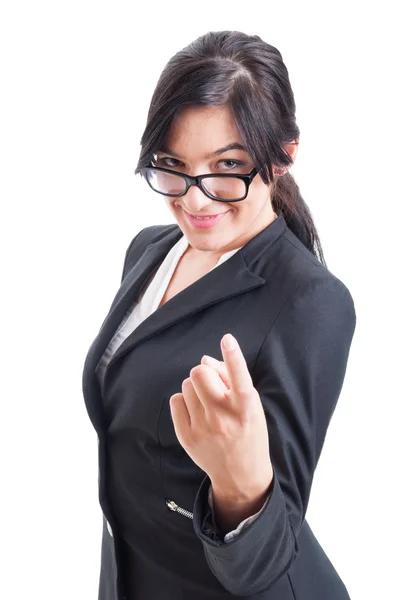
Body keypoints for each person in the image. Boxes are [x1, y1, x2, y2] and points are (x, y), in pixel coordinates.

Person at [82, 30, 356, 600]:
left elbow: (270, 555)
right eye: (173, 165)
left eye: (226, 167)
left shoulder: (311, 304)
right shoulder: (149, 250)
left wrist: (241, 481)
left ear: (283, 157)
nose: (195, 199)